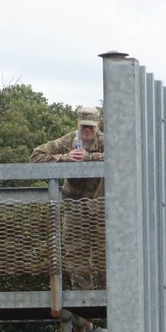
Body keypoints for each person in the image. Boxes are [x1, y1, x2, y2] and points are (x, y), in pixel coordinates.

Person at [32, 106, 106, 288]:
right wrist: (65, 157)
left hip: (102, 204)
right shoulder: (67, 141)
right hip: (74, 204)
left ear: (98, 125)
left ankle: (110, 300)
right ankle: (84, 303)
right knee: (75, 252)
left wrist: (89, 158)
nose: (87, 131)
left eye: (91, 127)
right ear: (77, 125)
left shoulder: (106, 141)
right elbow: (36, 156)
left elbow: (124, 157)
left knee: (106, 253)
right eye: (83, 127)